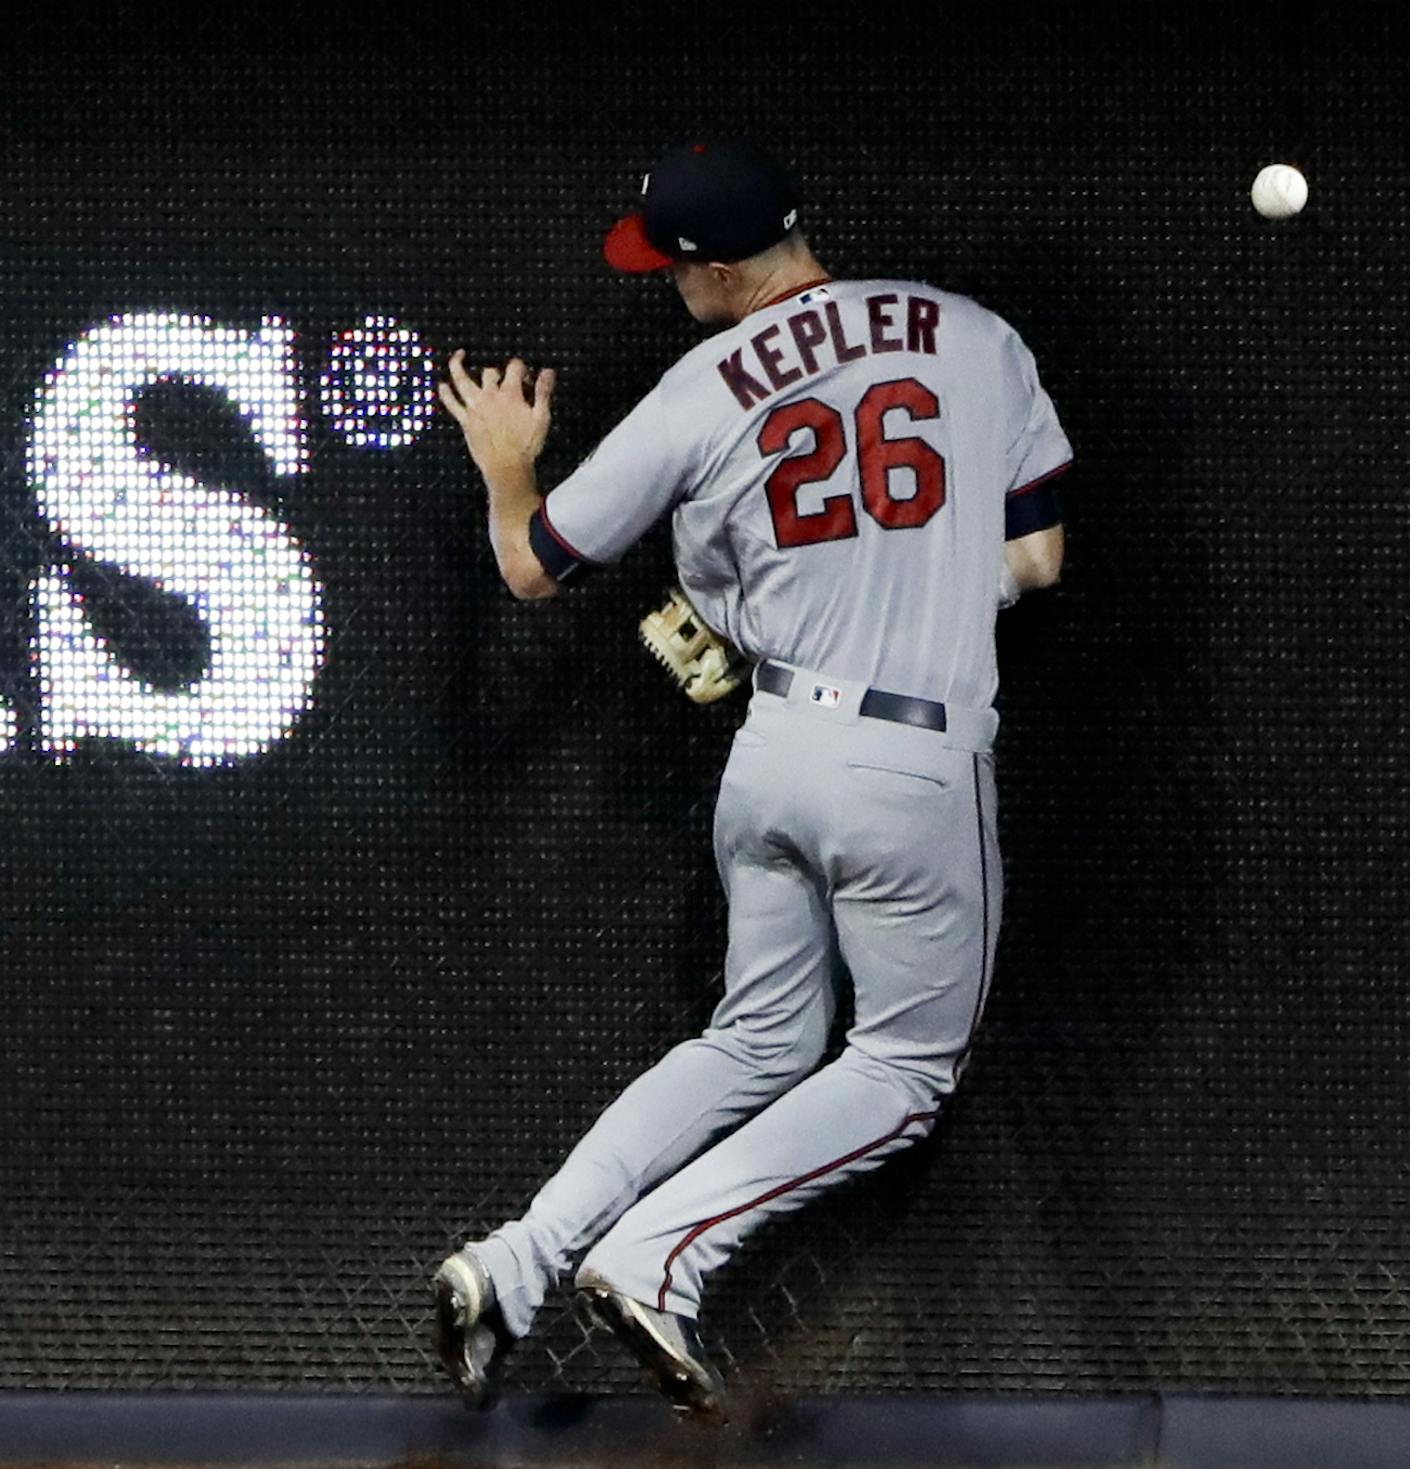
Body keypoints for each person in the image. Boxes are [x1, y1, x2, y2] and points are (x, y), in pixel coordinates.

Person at [426, 138, 1071, 1417]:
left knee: (757, 1039)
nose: (668, 287)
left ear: (723, 269)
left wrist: (507, 469)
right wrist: (926, 586)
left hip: (774, 749)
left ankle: (519, 1259)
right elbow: (1039, 559)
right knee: (904, 1069)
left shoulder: (703, 383)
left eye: (673, 268)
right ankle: (657, 1258)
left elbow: (534, 563)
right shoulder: (975, 336)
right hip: (912, 754)